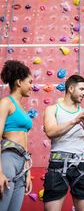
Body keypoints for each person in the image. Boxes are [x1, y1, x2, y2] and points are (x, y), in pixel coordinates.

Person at [43, 74, 84, 211]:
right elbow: (50, 132)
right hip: (58, 163)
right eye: (82, 89)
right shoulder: (52, 109)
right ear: (71, 88)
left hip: (82, 163)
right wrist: (74, 121)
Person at [0, 60, 33, 211]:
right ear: (19, 82)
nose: (32, 86)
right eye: (30, 82)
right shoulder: (6, 103)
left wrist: (27, 170)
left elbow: (24, 139)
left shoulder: (23, 108)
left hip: (22, 163)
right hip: (8, 160)